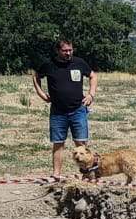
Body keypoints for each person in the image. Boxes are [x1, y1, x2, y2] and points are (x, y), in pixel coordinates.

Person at [33, 39, 96, 177]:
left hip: (78, 109)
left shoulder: (79, 63)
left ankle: (87, 175)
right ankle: (56, 175)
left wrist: (91, 94)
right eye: (65, 51)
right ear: (58, 51)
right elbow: (36, 76)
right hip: (58, 112)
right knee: (58, 143)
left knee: (81, 143)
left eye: (70, 50)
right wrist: (41, 93)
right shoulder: (49, 65)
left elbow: (92, 76)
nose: (68, 53)